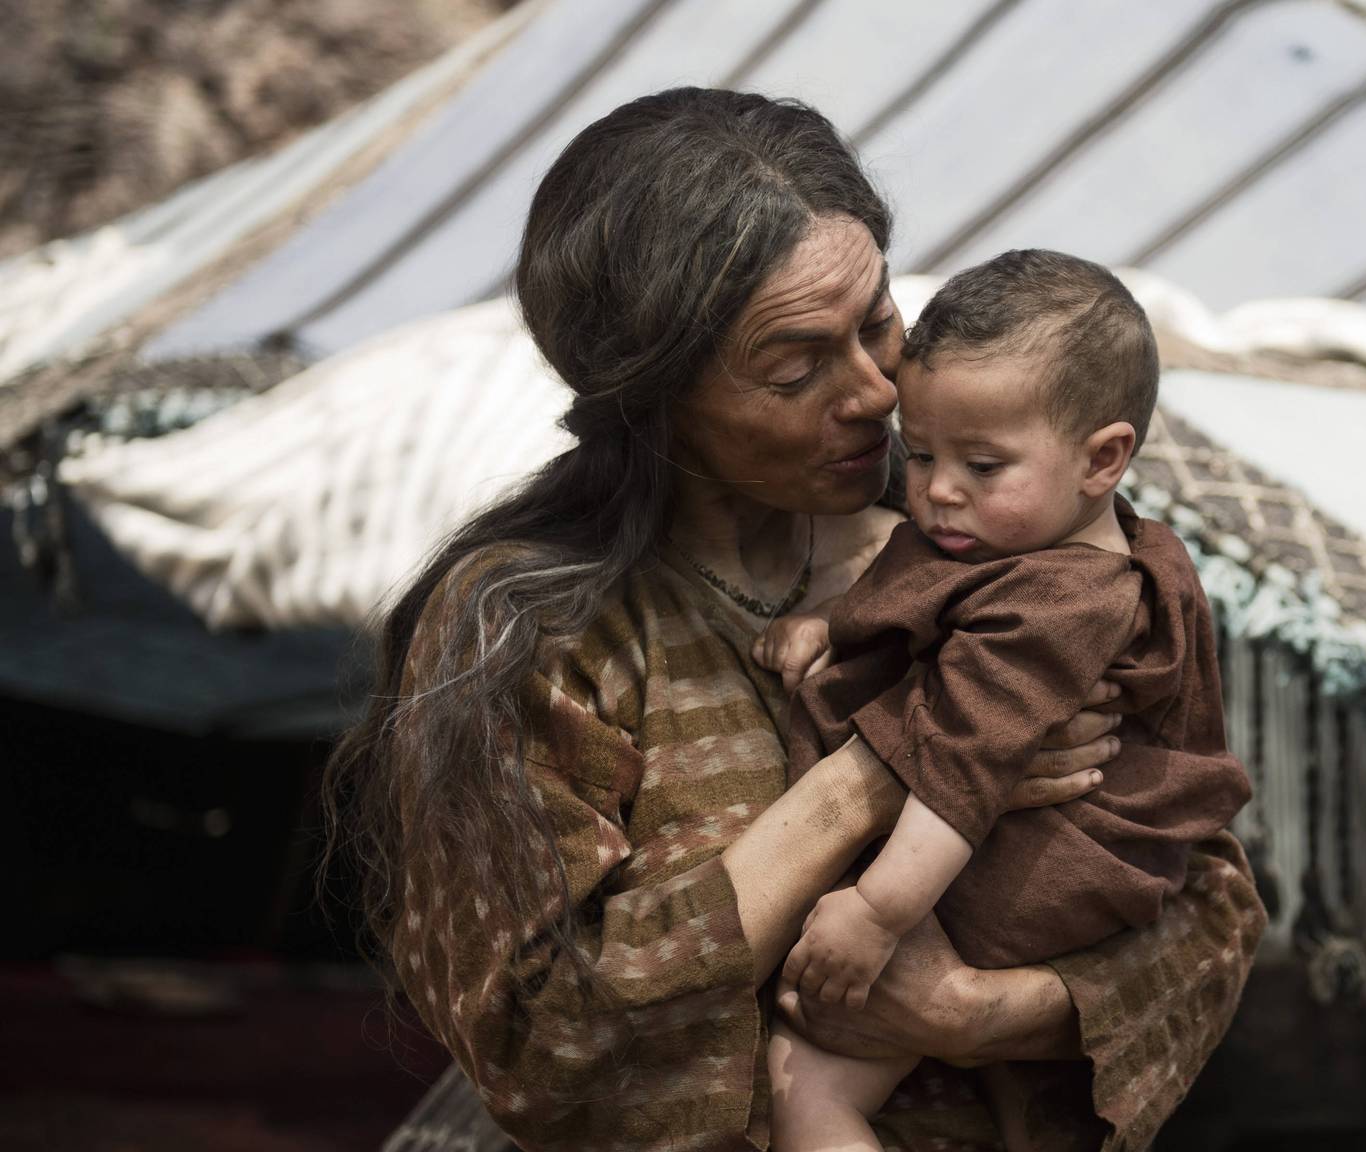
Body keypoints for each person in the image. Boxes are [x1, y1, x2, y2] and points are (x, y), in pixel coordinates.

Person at [322, 87, 1265, 1152]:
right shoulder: (539, 634)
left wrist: (979, 1013)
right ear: (656, 398)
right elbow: (540, 1044)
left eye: (878, 325)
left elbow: (1211, 904)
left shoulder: (1010, 550)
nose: (871, 391)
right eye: (794, 366)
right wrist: (878, 778)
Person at [755, 249, 1252, 1151]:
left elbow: (960, 765)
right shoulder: (1028, 547)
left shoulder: (1056, 605)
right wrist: (835, 621)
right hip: (1036, 887)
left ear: (1103, 458)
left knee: (806, 1091)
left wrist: (874, 914)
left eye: (983, 464)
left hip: (1013, 877)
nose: (941, 490)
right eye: (927, 453)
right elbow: (931, 615)